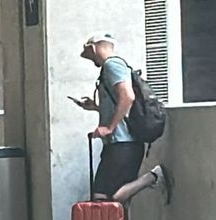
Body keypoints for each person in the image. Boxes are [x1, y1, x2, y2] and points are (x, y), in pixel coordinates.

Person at [72, 32, 172, 203]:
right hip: (117, 144)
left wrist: (109, 128)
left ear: (93, 48)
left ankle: (153, 177)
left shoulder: (113, 66)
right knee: (103, 198)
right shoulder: (111, 67)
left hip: (124, 144)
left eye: (88, 54)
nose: (89, 59)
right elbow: (121, 103)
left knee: (111, 199)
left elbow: (127, 96)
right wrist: (96, 108)